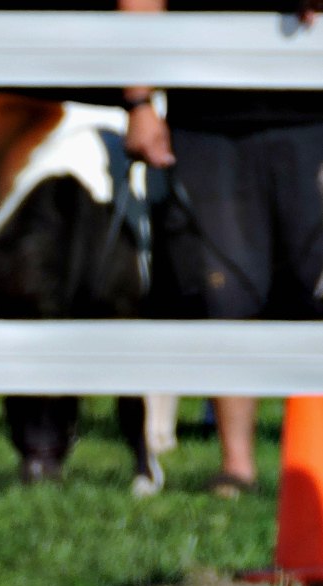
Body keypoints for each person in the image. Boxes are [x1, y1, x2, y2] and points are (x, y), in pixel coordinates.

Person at [120, 0, 323, 496]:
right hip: (208, 119)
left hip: (311, 108)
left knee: (317, 288)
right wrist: (138, 103)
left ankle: (313, 471)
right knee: (226, 294)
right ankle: (237, 467)